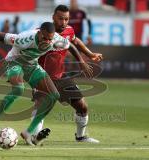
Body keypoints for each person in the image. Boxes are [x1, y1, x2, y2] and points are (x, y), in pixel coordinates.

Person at [0, 22, 93, 146]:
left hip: (31, 65)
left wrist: (81, 60)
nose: (47, 42)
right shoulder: (24, 38)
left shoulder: (56, 40)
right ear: (39, 33)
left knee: (53, 95)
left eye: (50, 39)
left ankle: (28, 132)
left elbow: (70, 45)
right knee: (18, 89)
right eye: (45, 38)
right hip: (14, 62)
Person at [31, 5, 103, 143]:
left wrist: (90, 54)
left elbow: (75, 41)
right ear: (53, 17)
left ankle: (80, 137)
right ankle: (34, 136)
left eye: (66, 19)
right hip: (42, 77)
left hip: (60, 76)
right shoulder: (40, 33)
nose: (63, 22)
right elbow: (23, 50)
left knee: (82, 106)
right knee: (41, 106)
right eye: (60, 19)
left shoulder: (69, 30)